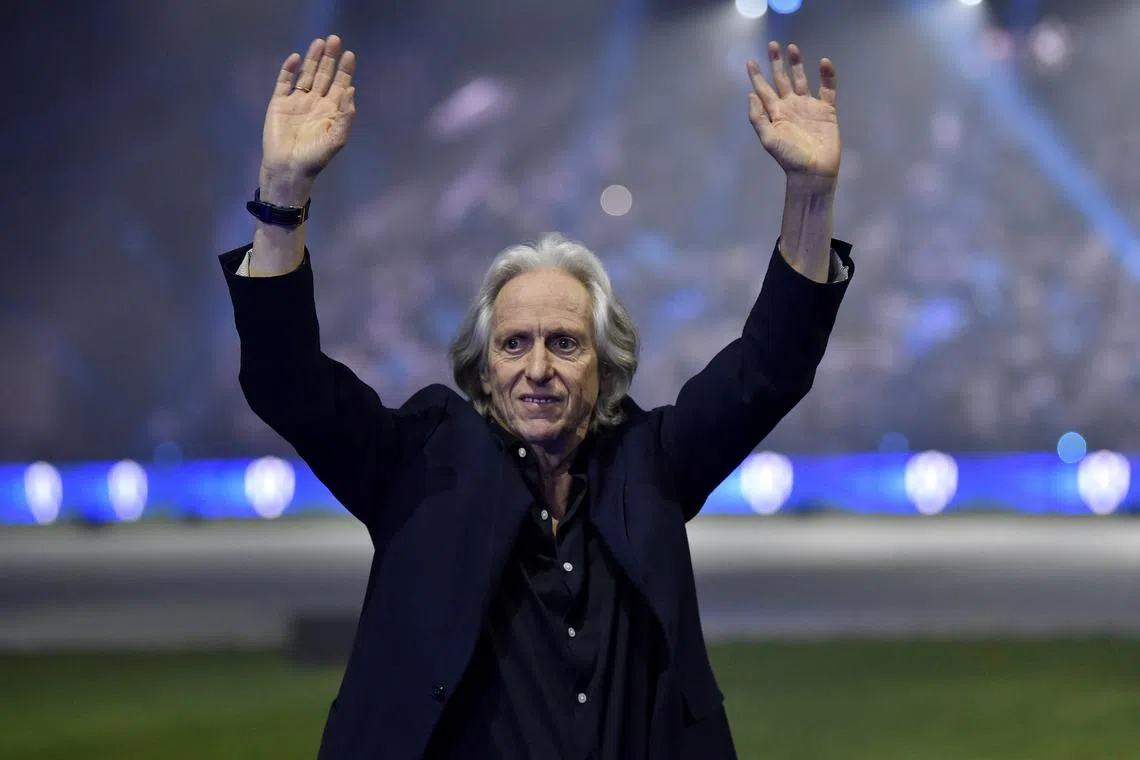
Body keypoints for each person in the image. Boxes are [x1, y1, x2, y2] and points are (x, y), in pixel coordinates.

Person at [221, 33, 852, 760]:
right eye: (514, 344)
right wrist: (282, 196)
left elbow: (769, 367)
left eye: (565, 342)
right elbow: (285, 380)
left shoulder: (652, 464)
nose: (538, 368)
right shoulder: (419, 465)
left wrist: (812, 195)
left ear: (605, 365)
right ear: (484, 367)